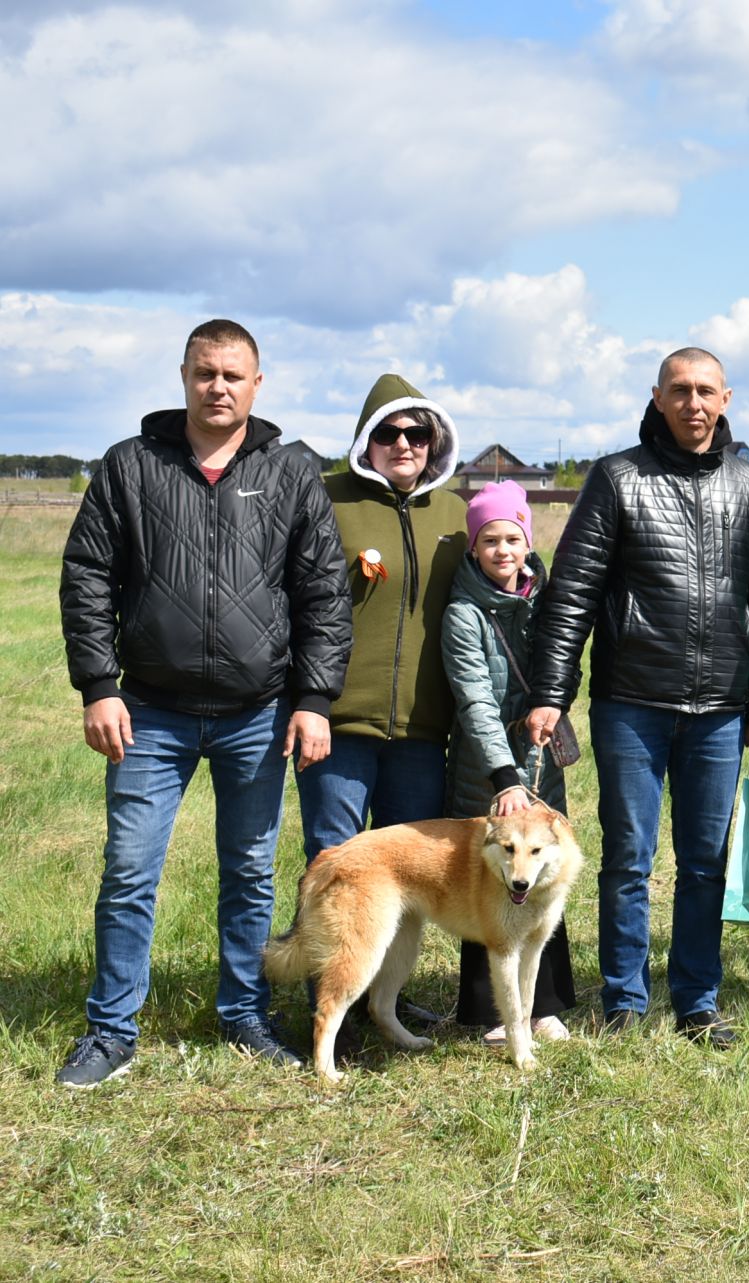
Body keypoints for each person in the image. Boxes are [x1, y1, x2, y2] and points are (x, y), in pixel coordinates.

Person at [56, 319, 351, 1086]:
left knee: (251, 871)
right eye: (204, 373)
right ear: (183, 376)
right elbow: (88, 575)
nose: (218, 387)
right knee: (129, 868)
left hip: (257, 712)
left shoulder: (291, 472)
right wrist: (98, 685)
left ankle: (244, 1012)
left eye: (233, 375)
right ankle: (111, 1028)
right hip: (149, 712)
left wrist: (313, 698)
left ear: (258, 383)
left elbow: (323, 591)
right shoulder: (130, 466)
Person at [527, 348, 749, 1048]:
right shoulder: (617, 478)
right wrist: (552, 691)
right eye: (679, 391)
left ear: (725, 397)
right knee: (629, 857)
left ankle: (698, 999)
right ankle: (625, 997)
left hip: (720, 707)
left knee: (705, 860)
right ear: (658, 397)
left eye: (705, 391)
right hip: (631, 701)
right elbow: (572, 592)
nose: (693, 403)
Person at [294, 373, 468, 1046]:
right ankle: (324, 1003)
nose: (404, 443)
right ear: (367, 438)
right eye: (390, 431)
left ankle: (387, 1002)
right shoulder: (328, 500)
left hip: (424, 732)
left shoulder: (455, 513)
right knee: (335, 866)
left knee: (410, 881)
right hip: (339, 724)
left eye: (417, 432)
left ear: (435, 441)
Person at [442, 480, 576, 1047]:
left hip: (541, 755)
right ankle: (490, 1011)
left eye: (513, 539)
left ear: (527, 544)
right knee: (493, 885)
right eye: (490, 539)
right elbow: (474, 698)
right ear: (474, 547)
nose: (503, 550)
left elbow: (564, 662)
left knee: (543, 875)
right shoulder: (462, 613)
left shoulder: (545, 599)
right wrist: (504, 777)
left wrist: (554, 703)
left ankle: (544, 1004)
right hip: (487, 764)